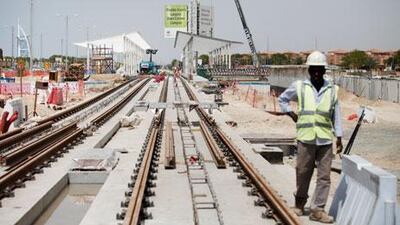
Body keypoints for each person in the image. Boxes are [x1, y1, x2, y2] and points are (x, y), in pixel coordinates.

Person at [278, 51, 343, 223]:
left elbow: (336, 115)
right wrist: (291, 114)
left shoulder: (332, 90)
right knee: (303, 172)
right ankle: (299, 204)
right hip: (306, 138)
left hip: (325, 139)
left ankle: (318, 210)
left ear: (324, 70)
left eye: (319, 69)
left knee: (324, 176)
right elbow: (282, 99)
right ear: (309, 70)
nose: (316, 72)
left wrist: (339, 137)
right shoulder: (299, 86)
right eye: (313, 69)